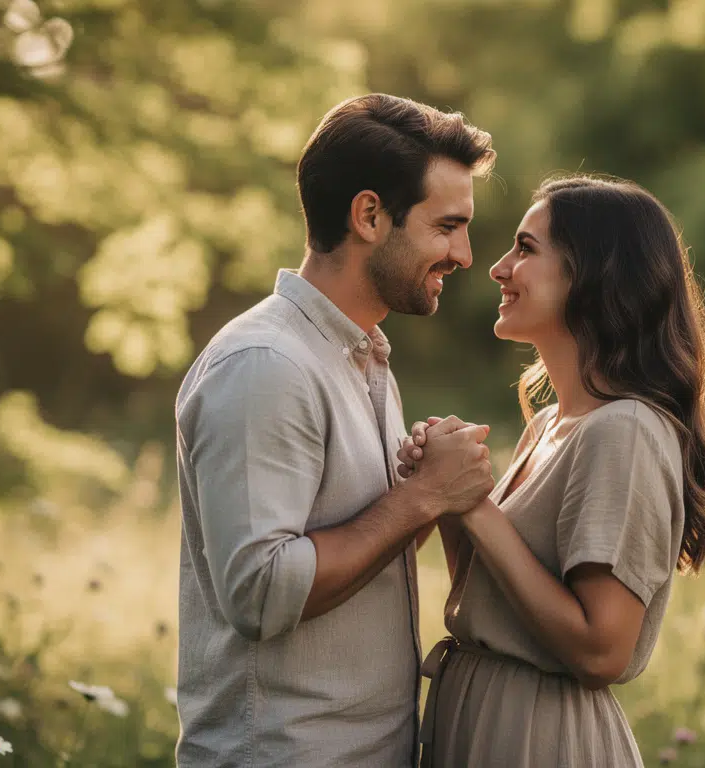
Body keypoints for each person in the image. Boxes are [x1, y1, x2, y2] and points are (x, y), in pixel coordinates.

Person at [173, 93, 497, 768]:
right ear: (370, 215)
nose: (463, 254)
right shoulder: (267, 365)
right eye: (446, 226)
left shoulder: (364, 356)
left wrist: (418, 488)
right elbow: (261, 593)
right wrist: (421, 498)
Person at [396, 175, 705, 766]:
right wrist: (448, 491)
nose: (498, 268)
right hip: (480, 717)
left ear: (595, 274)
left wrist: (476, 505)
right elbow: (493, 598)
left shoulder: (623, 431)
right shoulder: (548, 423)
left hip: (538, 737)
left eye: (525, 249)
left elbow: (602, 651)